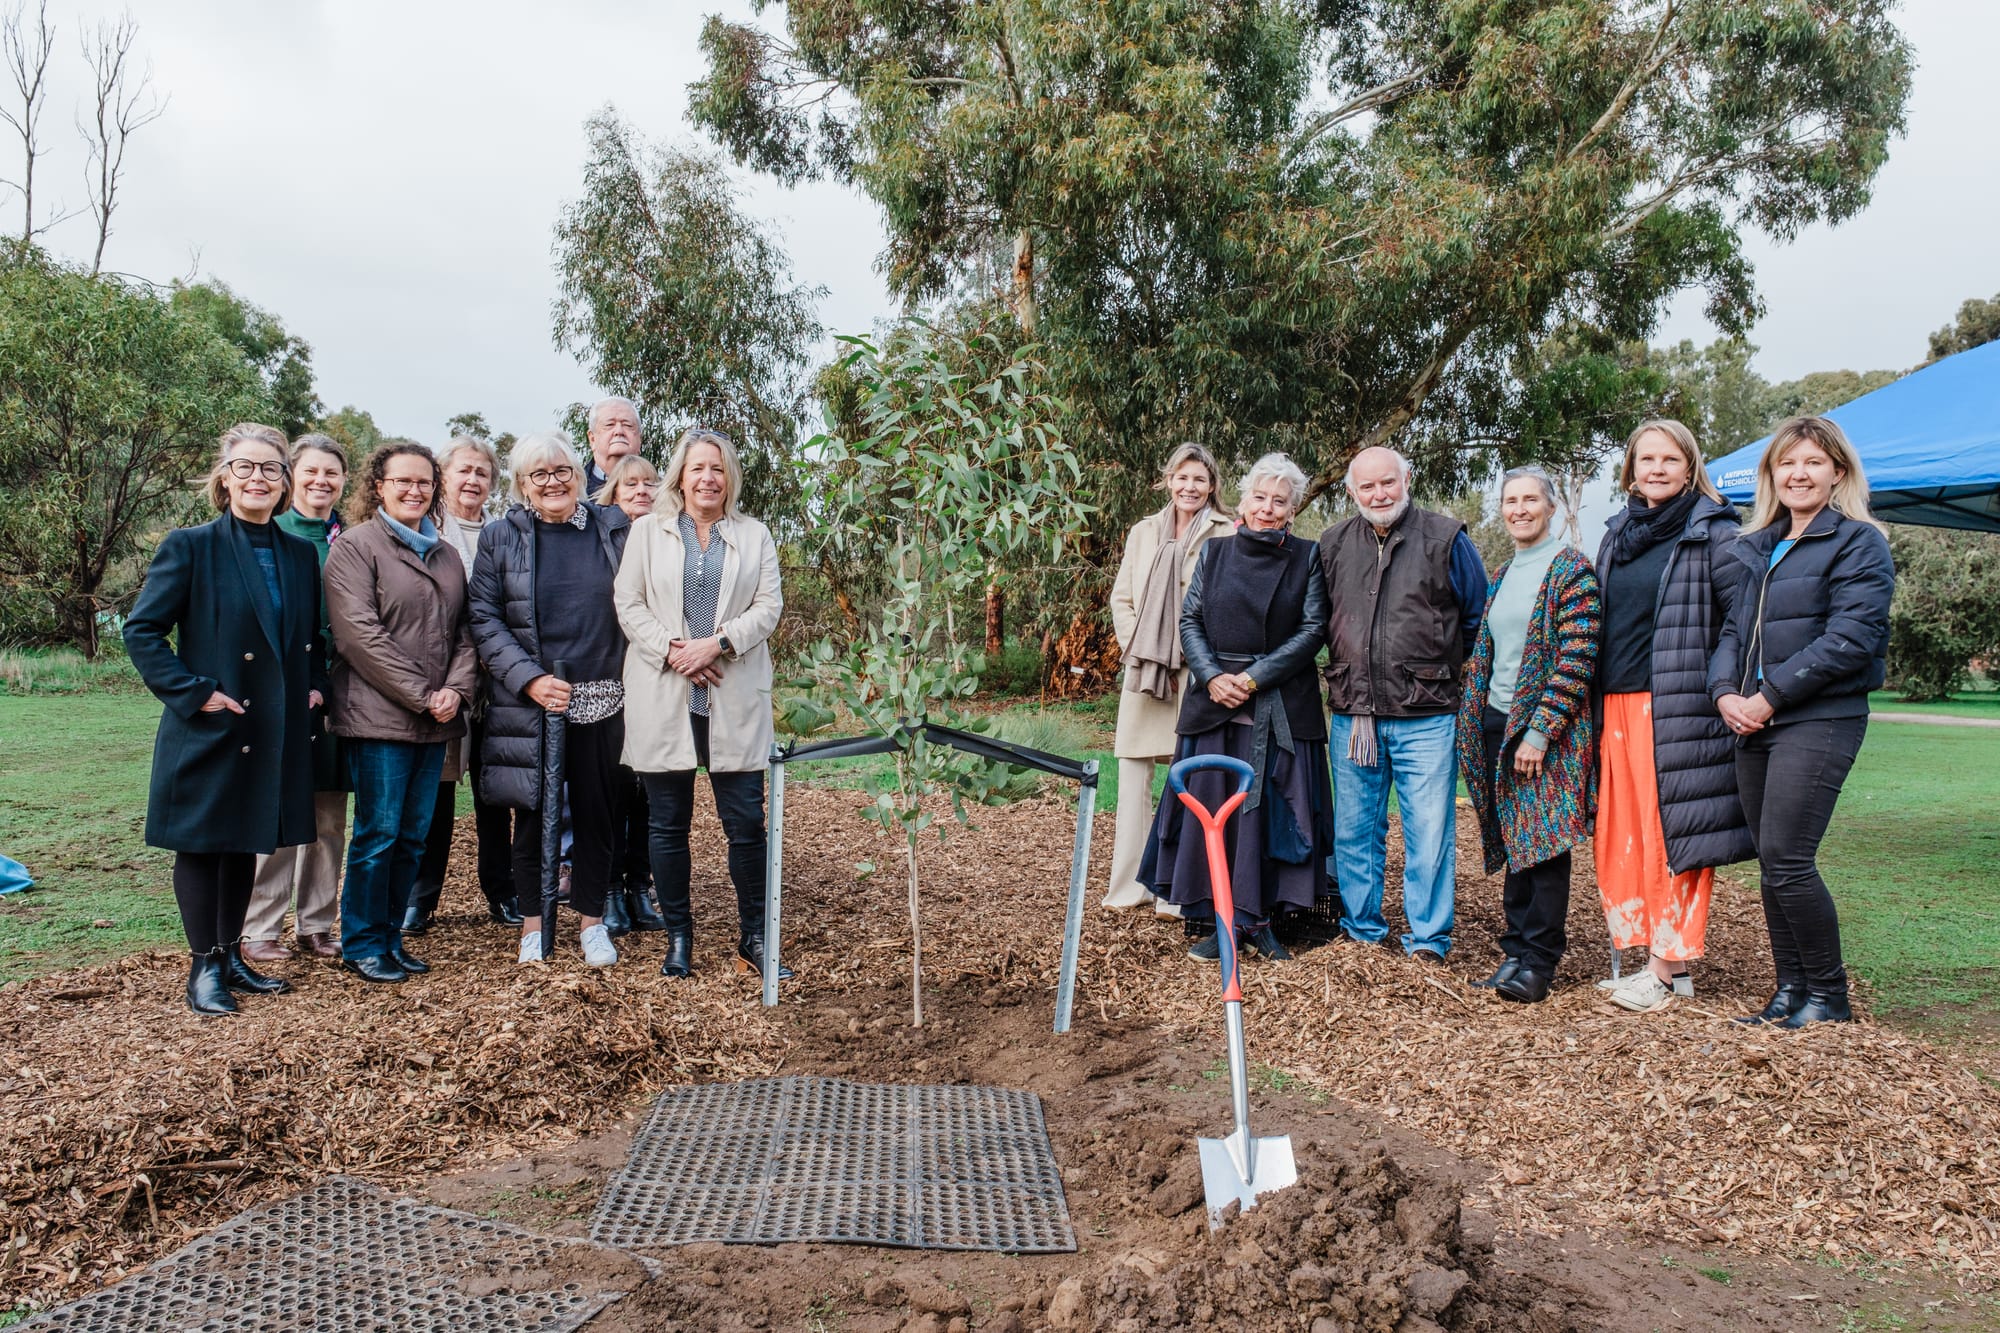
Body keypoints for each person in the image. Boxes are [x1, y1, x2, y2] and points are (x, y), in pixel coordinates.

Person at [124, 423, 323, 1014]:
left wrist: (315, 685)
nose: (258, 478)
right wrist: (194, 691)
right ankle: (203, 968)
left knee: (244, 844)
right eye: (246, 468)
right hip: (213, 721)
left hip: (272, 728)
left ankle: (232, 955)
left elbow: (307, 638)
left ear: (284, 481)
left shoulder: (298, 555)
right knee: (204, 846)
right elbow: (143, 632)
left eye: (270, 469)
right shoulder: (190, 546)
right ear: (225, 477)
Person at [1709, 417, 1894, 1030]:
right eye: (1788, 463)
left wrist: (1768, 696)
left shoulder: (1859, 543)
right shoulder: (1758, 547)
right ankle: (1791, 991)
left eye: (1813, 462)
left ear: (1837, 472)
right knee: (1771, 861)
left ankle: (1830, 996)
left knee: (1789, 856)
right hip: (1754, 721)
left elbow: (1851, 638)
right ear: (1772, 476)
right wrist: (1723, 695)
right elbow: (1734, 633)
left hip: (1820, 716)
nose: (1799, 473)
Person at [1139, 453, 1331, 962]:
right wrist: (1212, 676)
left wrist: (1251, 678)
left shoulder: (1308, 556)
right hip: (1214, 703)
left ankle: (1262, 922)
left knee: (1266, 813)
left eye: (1280, 502)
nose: (1268, 509)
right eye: (1260, 498)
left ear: (1292, 511)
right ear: (1243, 501)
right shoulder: (1215, 552)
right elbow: (1191, 620)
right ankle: (1222, 921)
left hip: (1279, 705)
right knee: (1213, 810)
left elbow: (1314, 629)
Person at [1592, 420, 1754, 1014]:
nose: (1655, 469)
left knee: (1674, 835)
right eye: (1645, 459)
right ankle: (1664, 964)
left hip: (1678, 707)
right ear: (1631, 469)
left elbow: (1744, 623)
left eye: (1669, 459)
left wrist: (1721, 688)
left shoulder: (1716, 532)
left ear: (1691, 467)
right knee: (1625, 831)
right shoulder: (1617, 535)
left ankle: (1662, 970)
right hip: (1615, 702)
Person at [615, 427, 786, 979]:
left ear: (729, 477)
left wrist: (717, 644)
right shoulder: (646, 532)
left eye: (717, 468)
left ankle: (755, 939)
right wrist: (674, 652)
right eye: (697, 468)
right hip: (665, 691)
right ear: (680, 477)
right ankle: (680, 938)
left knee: (746, 825)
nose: (708, 477)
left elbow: (768, 607)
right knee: (667, 824)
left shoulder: (755, 534)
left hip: (731, 691)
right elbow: (628, 601)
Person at [1319, 446, 1489, 961]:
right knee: (1353, 831)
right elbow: (1319, 619)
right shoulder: (1332, 544)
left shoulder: (1446, 539)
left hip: (1427, 715)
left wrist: (1442, 671)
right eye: (1367, 487)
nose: (1379, 494)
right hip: (1354, 714)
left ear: (1406, 478)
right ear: (1352, 492)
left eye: (1387, 483)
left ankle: (1428, 943)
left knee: (1429, 835)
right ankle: (1361, 934)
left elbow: (1476, 620)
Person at [468, 433, 632, 967]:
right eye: (538, 475)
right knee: (533, 816)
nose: (553, 482)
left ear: (578, 475)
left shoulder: (614, 528)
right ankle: (534, 928)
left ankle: (591, 923)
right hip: (534, 698)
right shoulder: (501, 537)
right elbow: (485, 620)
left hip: (605, 692)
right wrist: (530, 680)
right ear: (522, 485)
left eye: (561, 470)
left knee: (596, 813)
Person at [322, 442, 479, 984]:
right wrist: (423, 693)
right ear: (379, 487)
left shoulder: (447, 554)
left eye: (425, 483)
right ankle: (362, 942)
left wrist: (455, 691)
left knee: (414, 834)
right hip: (379, 718)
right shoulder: (357, 548)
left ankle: (390, 937)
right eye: (403, 482)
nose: (415, 491)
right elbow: (359, 636)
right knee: (378, 832)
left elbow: (466, 631)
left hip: (436, 719)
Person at [1455, 468, 1601, 1003]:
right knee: (1515, 843)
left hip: (1542, 729)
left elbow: (1576, 659)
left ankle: (1539, 962)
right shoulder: (1504, 571)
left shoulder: (1571, 570)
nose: (1519, 509)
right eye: (1510, 501)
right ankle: (1514, 952)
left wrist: (1540, 731)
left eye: (1529, 500)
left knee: (1542, 845)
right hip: (1496, 720)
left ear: (1552, 507)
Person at [1103, 443, 1235, 915]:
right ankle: (1128, 888)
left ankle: (1173, 891)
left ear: (1213, 485)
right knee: (1134, 775)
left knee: (1189, 777)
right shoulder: (1143, 532)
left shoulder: (1227, 533)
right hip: (1146, 670)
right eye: (1182, 477)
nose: (1190, 487)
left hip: (1198, 673)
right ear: (1168, 480)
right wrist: (1137, 649)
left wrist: (1198, 662)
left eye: (1199, 479)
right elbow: (1123, 599)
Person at [243, 434, 350, 964]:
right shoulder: (272, 534)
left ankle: (317, 922)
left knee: (329, 815)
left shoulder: (347, 539)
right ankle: (261, 924)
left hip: (339, 689)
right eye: (310, 471)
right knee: (281, 811)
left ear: (343, 482)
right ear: (291, 476)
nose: (320, 482)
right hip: (282, 690)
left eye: (331, 473)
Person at [408, 435, 522, 931]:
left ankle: (501, 891)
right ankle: (421, 897)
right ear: (443, 476)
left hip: (495, 686)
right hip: (443, 682)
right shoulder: (426, 532)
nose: (473, 480)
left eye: (482, 473)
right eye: (464, 471)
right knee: (435, 794)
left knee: (495, 794)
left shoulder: (503, 533)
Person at [595, 454, 669, 935]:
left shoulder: (670, 534)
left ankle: (640, 887)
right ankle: (606, 889)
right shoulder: (596, 535)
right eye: (630, 484)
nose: (641, 490)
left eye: (649, 483)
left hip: (659, 671)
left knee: (651, 790)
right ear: (612, 492)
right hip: (608, 671)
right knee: (612, 789)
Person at [583, 395, 643, 494]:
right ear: (592, 439)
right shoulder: (574, 491)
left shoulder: (661, 492)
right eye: (609, 425)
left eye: (627, 425)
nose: (619, 431)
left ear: (639, 439)